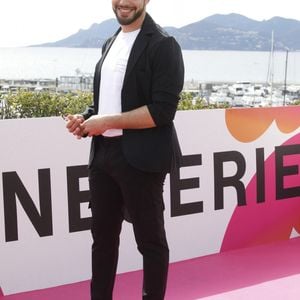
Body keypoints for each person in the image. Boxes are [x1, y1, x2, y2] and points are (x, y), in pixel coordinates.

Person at [65, 0, 184, 299]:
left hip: (141, 159)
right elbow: (107, 103)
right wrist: (87, 118)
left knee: (150, 242)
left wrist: (106, 122)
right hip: (102, 155)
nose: (123, 2)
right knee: (102, 241)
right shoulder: (110, 42)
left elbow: (162, 111)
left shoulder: (164, 45)